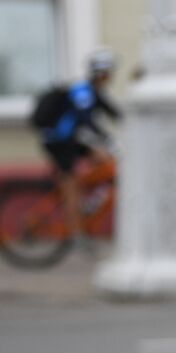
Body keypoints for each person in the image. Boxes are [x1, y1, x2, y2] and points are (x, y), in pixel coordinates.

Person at [33, 49, 122, 247]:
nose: (109, 77)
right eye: (108, 73)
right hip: (58, 142)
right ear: (100, 73)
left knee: (107, 162)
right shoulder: (82, 91)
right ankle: (76, 233)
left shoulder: (96, 94)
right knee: (71, 183)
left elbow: (116, 114)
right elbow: (85, 120)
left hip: (73, 141)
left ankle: (90, 200)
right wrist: (106, 139)